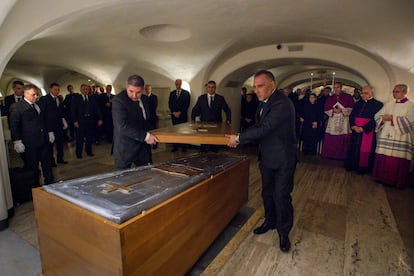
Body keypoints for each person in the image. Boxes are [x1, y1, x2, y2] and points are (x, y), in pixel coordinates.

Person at [227, 70, 297, 253]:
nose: (256, 90)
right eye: (254, 87)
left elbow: (265, 128)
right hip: (267, 157)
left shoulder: (281, 103)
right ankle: (270, 221)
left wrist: (240, 138)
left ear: (272, 85)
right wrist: (240, 136)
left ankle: (284, 233)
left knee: (281, 197)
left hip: (283, 159)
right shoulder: (265, 102)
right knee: (267, 193)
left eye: (260, 86)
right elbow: (258, 126)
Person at [9, 84, 55, 186]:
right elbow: (14, 125)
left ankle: (50, 182)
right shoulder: (17, 107)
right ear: (25, 94)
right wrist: (17, 141)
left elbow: (45, 120)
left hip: (43, 139)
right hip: (30, 143)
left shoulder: (39, 105)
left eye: (37, 94)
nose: (36, 97)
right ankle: (35, 186)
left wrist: (50, 132)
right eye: (33, 95)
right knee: (33, 166)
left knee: (47, 164)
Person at [112, 75, 158, 169]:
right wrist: (146, 136)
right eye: (131, 91)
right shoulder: (119, 100)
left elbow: (147, 119)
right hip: (125, 147)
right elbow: (122, 126)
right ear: (127, 87)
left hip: (143, 148)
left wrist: (154, 132)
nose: (134, 95)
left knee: (147, 175)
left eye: (138, 92)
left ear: (143, 89)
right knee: (123, 179)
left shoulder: (145, 99)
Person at [372, 84, 414, 188]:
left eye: (397, 91)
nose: (394, 93)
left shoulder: (411, 105)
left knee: (397, 159)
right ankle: (381, 178)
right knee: (384, 157)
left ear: (405, 92)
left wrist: (393, 118)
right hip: (387, 133)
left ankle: (396, 181)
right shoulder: (388, 104)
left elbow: (410, 121)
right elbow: (378, 116)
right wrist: (383, 119)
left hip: (400, 136)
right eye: (394, 91)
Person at [344, 86, 383, 174]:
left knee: (365, 150)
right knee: (353, 148)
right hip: (355, 130)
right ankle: (352, 165)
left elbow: (376, 120)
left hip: (367, 132)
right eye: (362, 93)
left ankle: (362, 168)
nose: (363, 95)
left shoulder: (378, 105)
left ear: (371, 93)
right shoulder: (358, 103)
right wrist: (353, 126)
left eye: (366, 93)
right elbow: (352, 116)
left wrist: (363, 128)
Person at [192, 80, 231, 152]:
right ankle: (203, 156)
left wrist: (228, 120)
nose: (211, 89)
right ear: (206, 88)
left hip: (216, 124)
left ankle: (214, 157)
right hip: (204, 124)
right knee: (204, 143)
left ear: (215, 88)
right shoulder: (201, 98)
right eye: (209, 87)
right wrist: (193, 121)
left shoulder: (220, 98)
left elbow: (227, 110)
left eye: (213, 87)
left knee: (214, 144)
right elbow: (194, 109)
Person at [321, 82, 354, 159]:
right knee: (332, 138)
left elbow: (352, 108)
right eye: (335, 87)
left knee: (343, 137)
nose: (336, 89)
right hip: (333, 120)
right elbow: (325, 109)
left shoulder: (348, 97)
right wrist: (332, 111)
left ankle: (342, 156)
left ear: (341, 87)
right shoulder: (330, 98)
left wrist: (342, 110)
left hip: (344, 120)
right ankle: (330, 155)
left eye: (338, 87)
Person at [38, 82, 68, 165]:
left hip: (59, 125)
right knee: (50, 145)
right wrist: (48, 130)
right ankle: (51, 161)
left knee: (60, 143)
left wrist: (63, 120)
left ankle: (60, 158)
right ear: (50, 89)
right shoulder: (44, 99)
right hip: (49, 126)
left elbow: (60, 111)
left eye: (58, 90)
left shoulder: (58, 98)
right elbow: (43, 115)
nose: (57, 91)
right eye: (55, 89)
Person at [71, 84, 102, 158]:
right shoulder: (76, 98)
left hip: (90, 120)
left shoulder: (91, 98)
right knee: (80, 138)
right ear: (81, 90)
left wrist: (100, 118)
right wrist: (75, 121)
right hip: (80, 121)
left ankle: (89, 151)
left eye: (87, 89)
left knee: (89, 137)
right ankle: (79, 153)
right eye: (84, 89)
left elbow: (97, 109)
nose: (85, 90)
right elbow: (73, 110)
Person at [168, 79, 190, 152]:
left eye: (179, 84)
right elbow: (170, 104)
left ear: (181, 84)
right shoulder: (172, 93)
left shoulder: (186, 93)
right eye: (176, 84)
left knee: (183, 131)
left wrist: (180, 112)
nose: (178, 85)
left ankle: (184, 147)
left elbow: (187, 104)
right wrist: (173, 112)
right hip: (174, 116)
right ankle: (175, 146)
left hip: (182, 115)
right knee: (174, 131)